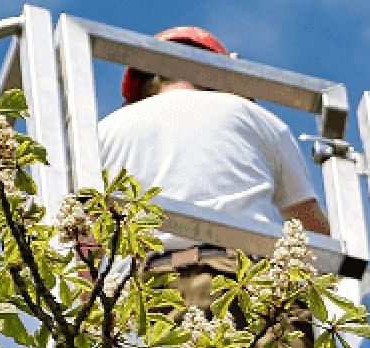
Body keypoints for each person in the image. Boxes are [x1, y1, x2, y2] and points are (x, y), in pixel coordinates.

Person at [97, 27, 331, 325]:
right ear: (221, 75)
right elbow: (311, 233)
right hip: (252, 285)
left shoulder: (107, 129)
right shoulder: (255, 118)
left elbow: (83, 238)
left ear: (141, 84)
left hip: (147, 293)